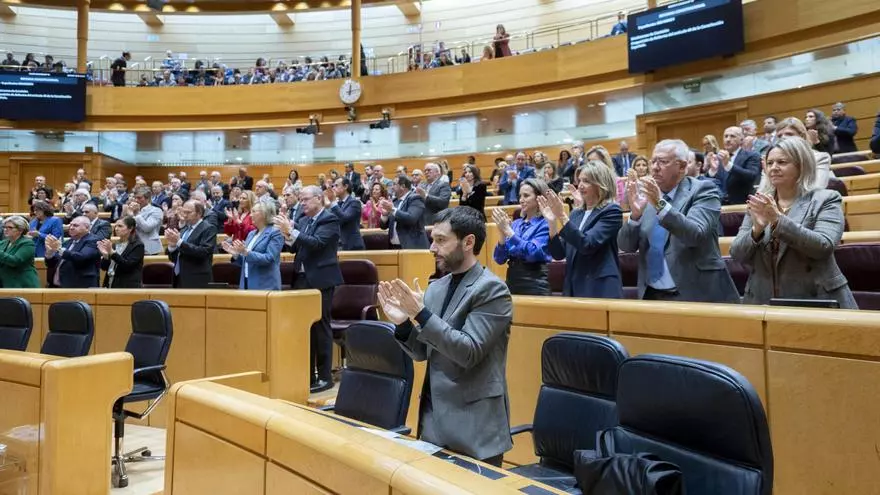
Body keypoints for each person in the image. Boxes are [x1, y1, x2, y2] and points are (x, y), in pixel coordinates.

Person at [377, 206, 513, 466]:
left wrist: (421, 314)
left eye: (441, 240)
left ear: (468, 242)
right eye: (432, 239)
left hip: (474, 426)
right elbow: (420, 352)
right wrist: (404, 323)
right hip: (433, 421)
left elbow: (468, 351)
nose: (432, 248)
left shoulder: (493, 290)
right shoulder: (435, 288)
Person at [730, 137, 856, 309]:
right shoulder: (759, 203)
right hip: (763, 301)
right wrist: (756, 230)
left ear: (801, 166)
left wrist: (777, 220)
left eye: (782, 162)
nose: (774, 168)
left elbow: (824, 246)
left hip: (816, 300)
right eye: (770, 163)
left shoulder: (825, 199)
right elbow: (737, 254)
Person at [618, 139, 739, 303]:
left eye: (663, 162)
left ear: (682, 167)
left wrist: (660, 204)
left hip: (696, 294)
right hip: (652, 295)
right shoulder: (647, 195)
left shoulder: (704, 190)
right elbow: (626, 246)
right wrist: (635, 217)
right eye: (653, 161)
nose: (654, 167)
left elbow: (694, 234)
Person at [275, 186, 343, 393]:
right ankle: (308, 374)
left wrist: (291, 231)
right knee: (305, 327)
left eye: (305, 199)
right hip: (302, 278)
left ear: (319, 199)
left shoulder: (329, 219)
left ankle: (324, 377)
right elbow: (295, 247)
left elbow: (317, 243)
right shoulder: (304, 221)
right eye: (301, 200)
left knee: (320, 326)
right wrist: (286, 234)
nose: (302, 203)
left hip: (321, 279)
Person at [543, 162, 623, 298]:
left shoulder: (611, 211)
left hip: (600, 287)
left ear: (600, 184)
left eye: (586, 181)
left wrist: (562, 215)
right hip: (573, 286)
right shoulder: (576, 214)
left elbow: (587, 244)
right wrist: (552, 223)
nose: (580, 185)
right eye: (579, 180)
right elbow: (559, 254)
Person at [492, 178, 552, 296]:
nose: (521, 200)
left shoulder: (545, 223)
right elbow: (499, 259)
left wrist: (509, 233)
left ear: (539, 198)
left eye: (526, 196)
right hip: (513, 280)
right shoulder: (516, 224)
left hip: (535, 281)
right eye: (520, 196)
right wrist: (502, 234)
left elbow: (533, 252)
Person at [757, 117, 833, 189]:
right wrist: (769, 176)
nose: (783, 138)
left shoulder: (819, 158)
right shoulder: (772, 162)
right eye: (779, 136)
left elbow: (816, 191)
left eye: (789, 134)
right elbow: (762, 194)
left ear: (802, 137)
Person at [225, 202, 284, 290]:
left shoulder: (275, 233)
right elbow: (247, 260)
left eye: (254, 211)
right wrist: (236, 254)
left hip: (265, 285)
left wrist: (245, 252)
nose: (250, 215)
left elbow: (269, 258)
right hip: (246, 283)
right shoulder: (251, 234)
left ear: (264, 213)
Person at [165, 200, 217, 289]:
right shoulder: (184, 229)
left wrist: (179, 242)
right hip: (180, 276)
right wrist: (172, 246)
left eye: (188, 212)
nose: (184, 215)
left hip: (197, 278)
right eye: (183, 212)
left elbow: (203, 252)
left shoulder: (208, 228)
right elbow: (176, 257)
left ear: (199, 213)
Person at [44, 216, 101, 288]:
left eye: (75, 225)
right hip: (58, 286)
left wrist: (59, 249)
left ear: (87, 228)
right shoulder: (68, 242)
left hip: (80, 287)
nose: (71, 227)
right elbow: (51, 264)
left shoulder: (93, 240)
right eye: (70, 225)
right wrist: (50, 253)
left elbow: (82, 257)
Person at [709, 126, 762, 205]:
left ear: (741, 140)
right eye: (726, 136)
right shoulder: (718, 158)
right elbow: (711, 181)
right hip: (720, 205)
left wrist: (728, 165)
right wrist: (712, 171)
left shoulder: (752, 155)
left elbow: (752, 176)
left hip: (742, 204)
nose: (728, 139)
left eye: (732, 136)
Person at [379, 175, 429, 249]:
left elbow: (411, 218)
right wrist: (384, 215)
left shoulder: (415, 199)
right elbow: (383, 227)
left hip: (412, 247)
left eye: (394, 184)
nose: (392, 187)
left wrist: (392, 209)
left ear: (402, 186)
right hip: (394, 247)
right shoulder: (395, 201)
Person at [98, 216, 145, 289]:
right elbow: (104, 268)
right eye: (116, 226)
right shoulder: (114, 244)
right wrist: (105, 256)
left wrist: (113, 253)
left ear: (130, 228)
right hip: (110, 282)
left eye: (120, 226)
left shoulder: (138, 245)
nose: (116, 229)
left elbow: (127, 266)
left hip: (127, 285)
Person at [0, 216, 40, 289]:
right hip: (5, 284)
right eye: (4, 227)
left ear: (20, 230)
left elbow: (15, 261)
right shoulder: (3, 243)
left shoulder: (27, 243)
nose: (5, 229)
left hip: (22, 284)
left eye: (10, 227)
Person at [326, 177, 365, 250]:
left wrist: (333, 202)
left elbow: (344, 218)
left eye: (336, 185)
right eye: (333, 186)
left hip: (352, 245)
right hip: (338, 244)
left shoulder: (354, 203)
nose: (333, 188)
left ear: (345, 186)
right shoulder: (336, 204)